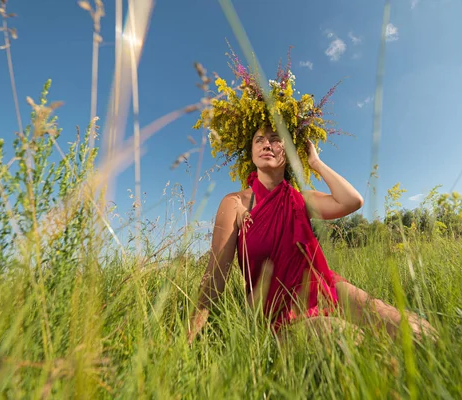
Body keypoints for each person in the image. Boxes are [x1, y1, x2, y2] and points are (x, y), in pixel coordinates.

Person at [187, 47, 436, 344]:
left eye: (276, 139)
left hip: (327, 288)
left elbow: (352, 201)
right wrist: (188, 339)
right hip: (279, 313)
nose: (267, 144)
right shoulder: (235, 203)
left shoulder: (299, 198)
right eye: (259, 140)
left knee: (420, 334)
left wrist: (315, 162)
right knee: (348, 340)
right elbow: (215, 278)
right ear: (250, 152)